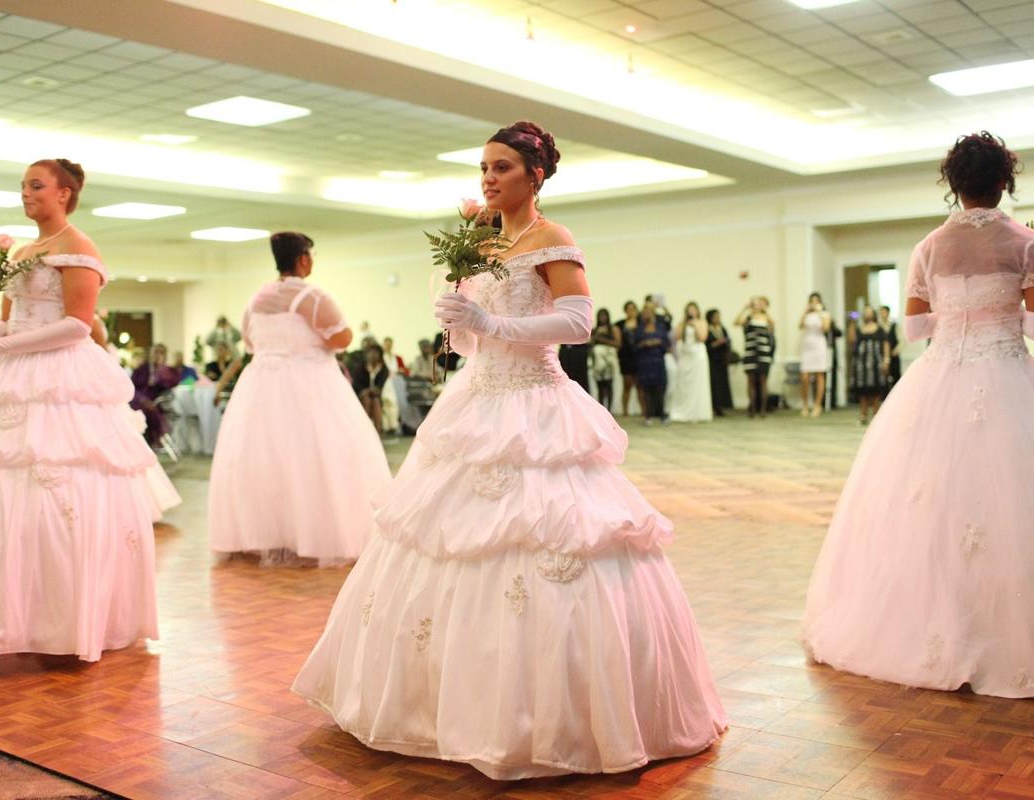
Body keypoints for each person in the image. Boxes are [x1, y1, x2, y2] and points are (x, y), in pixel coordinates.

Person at [294, 120, 727, 779]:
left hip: (537, 403)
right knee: (442, 539)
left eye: (501, 167)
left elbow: (579, 321)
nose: (488, 178)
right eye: (483, 168)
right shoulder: (483, 244)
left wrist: (495, 321)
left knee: (549, 539)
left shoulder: (552, 239)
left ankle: (551, 719)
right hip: (476, 400)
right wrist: (459, 323)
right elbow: (474, 343)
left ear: (535, 175)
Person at [803, 131, 1034, 701]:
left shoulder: (928, 247)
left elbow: (916, 328)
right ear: (1003, 181)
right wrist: (1006, 305)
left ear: (954, 185)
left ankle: (940, 623)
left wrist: (959, 314)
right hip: (1010, 376)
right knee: (1024, 501)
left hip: (940, 376)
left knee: (929, 505)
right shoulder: (1027, 243)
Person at [0, 158, 159, 662]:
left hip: (58, 374)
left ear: (65, 193)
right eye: (23, 185)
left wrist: (7, 347)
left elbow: (77, 324)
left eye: (36, 185)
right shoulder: (26, 249)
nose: (26, 193)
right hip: (12, 371)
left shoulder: (78, 246)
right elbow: (18, 313)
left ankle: (60, 616)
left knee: (59, 486)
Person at [209, 232, 391, 566]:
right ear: (304, 258)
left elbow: (249, 343)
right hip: (310, 384)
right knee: (318, 456)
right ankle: (317, 533)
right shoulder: (312, 296)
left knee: (267, 459)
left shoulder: (256, 300)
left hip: (260, 387)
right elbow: (342, 338)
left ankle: (266, 534)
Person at [670, 301, 711, 422]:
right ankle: (682, 411)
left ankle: (697, 412)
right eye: (689, 309)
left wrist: (695, 325)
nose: (691, 311)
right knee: (683, 383)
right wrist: (684, 323)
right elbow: (676, 337)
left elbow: (702, 338)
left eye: (694, 309)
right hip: (685, 355)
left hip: (698, 355)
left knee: (697, 383)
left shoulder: (702, 322)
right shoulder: (682, 323)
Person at [130, 343, 178, 445]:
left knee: (146, 411)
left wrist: (161, 370)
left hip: (156, 403)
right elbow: (132, 387)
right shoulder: (142, 368)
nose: (157, 355)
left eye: (161, 352)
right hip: (139, 400)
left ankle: (147, 443)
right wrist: (142, 399)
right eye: (156, 352)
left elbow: (169, 385)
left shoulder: (168, 371)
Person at [849, 306, 889, 425]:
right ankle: (863, 414)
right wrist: (852, 324)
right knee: (862, 390)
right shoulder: (860, 328)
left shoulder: (879, 329)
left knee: (876, 389)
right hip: (861, 364)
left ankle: (876, 415)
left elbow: (886, 344)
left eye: (869, 312)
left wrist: (886, 360)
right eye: (865, 312)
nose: (867, 314)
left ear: (873, 314)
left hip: (876, 363)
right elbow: (852, 340)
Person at [735, 296, 774, 417]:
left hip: (763, 352)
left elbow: (772, 328)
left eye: (758, 304)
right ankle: (752, 407)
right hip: (750, 351)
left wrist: (764, 311)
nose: (756, 306)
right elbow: (736, 322)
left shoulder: (766, 317)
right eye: (754, 304)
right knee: (750, 380)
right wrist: (744, 309)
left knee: (763, 380)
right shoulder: (748, 318)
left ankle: (763, 409)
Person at [634, 303, 670, 426]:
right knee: (646, 389)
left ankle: (661, 414)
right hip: (644, 361)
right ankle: (648, 415)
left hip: (658, 360)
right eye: (644, 312)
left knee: (660, 388)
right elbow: (634, 346)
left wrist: (658, 342)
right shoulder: (639, 328)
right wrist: (644, 344)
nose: (646, 314)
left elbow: (666, 343)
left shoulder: (660, 327)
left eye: (648, 311)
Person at [798, 293, 831, 417]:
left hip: (819, 346)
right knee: (805, 377)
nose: (814, 303)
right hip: (807, 346)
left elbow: (826, 328)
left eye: (816, 301)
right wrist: (805, 312)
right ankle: (805, 405)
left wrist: (819, 313)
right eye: (812, 301)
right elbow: (800, 325)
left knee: (819, 375)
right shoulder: (807, 314)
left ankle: (817, 405)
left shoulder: (825, 314)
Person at [353, 342, 389, 432]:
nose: (372, 355)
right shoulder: (360, 368)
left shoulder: (384, 369)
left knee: (375, 401)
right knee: (366, 399)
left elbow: (379, 388)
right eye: (370, 352)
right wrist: (366, 391)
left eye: (375, 352)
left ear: (380, 355)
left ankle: (376, 431)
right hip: (361, 396)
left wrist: (369, 390)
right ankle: (365, 430)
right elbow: (356, 385)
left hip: (376, 396)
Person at [615, 300, 643, 416]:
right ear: (625, 311)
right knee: (627, 385)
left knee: (640, 386)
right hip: (626, 357)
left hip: (639, 357)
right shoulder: (620, 324)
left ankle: (643, 411)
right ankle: (625, 411)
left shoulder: (642, 323)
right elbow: (618, 342)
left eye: (633, 309)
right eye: (628, 309)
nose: (631, 311)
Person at [590, 307, 620, 411]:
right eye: (600, 316)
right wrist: (597, 335)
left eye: (604, 315)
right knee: (600, 386)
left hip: (609, 360)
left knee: (609, 385)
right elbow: (590, 343)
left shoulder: (614, 329)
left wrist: (602, 339)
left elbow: (618, 344)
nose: (602, 318)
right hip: (597, 362)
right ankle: (602, 409)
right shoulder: (595, 330)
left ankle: (610, 410)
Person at [705, 308, 733, 415]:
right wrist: (717, 343)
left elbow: (728, 340)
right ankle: (714, 406)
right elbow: (707, 345)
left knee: (722, 383)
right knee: (714, 383)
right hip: (712, 359)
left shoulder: (722, 329)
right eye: (715, 317)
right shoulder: (708, 329)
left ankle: (722, 405)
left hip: (722, 359)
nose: (718, 319)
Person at [878, 305, 901, 387]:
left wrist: (896, 350)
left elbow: (901, 340)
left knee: (896, 378)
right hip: (882, 357)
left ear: (888, 313)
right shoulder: (878, 327)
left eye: (884, 312)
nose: (883, 314)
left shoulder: (894, 326)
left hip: (894, 356)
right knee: (883, 380)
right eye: (881, 313)